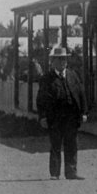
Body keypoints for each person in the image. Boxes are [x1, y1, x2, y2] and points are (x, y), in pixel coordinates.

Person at [36, 45, 88, 180]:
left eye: (64, 59)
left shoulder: (73, 75)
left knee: (72, 144)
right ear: (52, 62)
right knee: (56, 145)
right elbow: (41, 99)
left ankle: (71, 172)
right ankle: (55, 173)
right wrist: (42, 116)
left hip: (71, 116)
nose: (62, 62)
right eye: (58, 60)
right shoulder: (47, 79)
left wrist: (84, 112)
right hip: (55, 117)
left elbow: (81, 94)